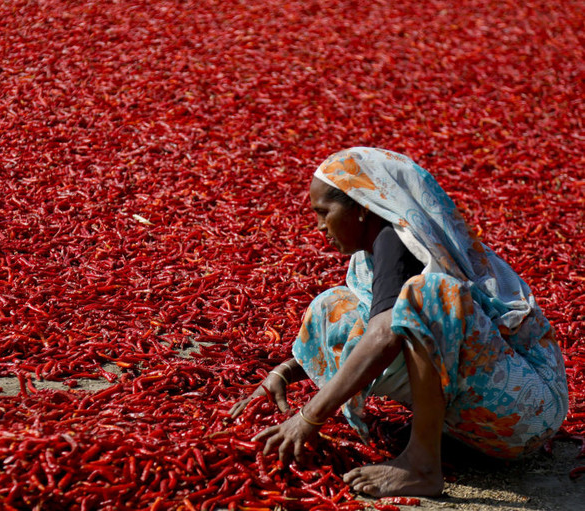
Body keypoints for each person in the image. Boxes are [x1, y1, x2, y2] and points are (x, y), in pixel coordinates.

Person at [229, 147, 568, 497]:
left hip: (528, 412)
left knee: (429, 295)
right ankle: (434, 441)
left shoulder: (400, 241)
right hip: (486, 417)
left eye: (323, 213)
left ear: (361, 209)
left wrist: (310, 416)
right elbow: (375, 329)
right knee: (332, 307)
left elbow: (384, 334)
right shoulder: (374, 252)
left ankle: (422, 466)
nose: (319, 227)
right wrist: (283, 374)